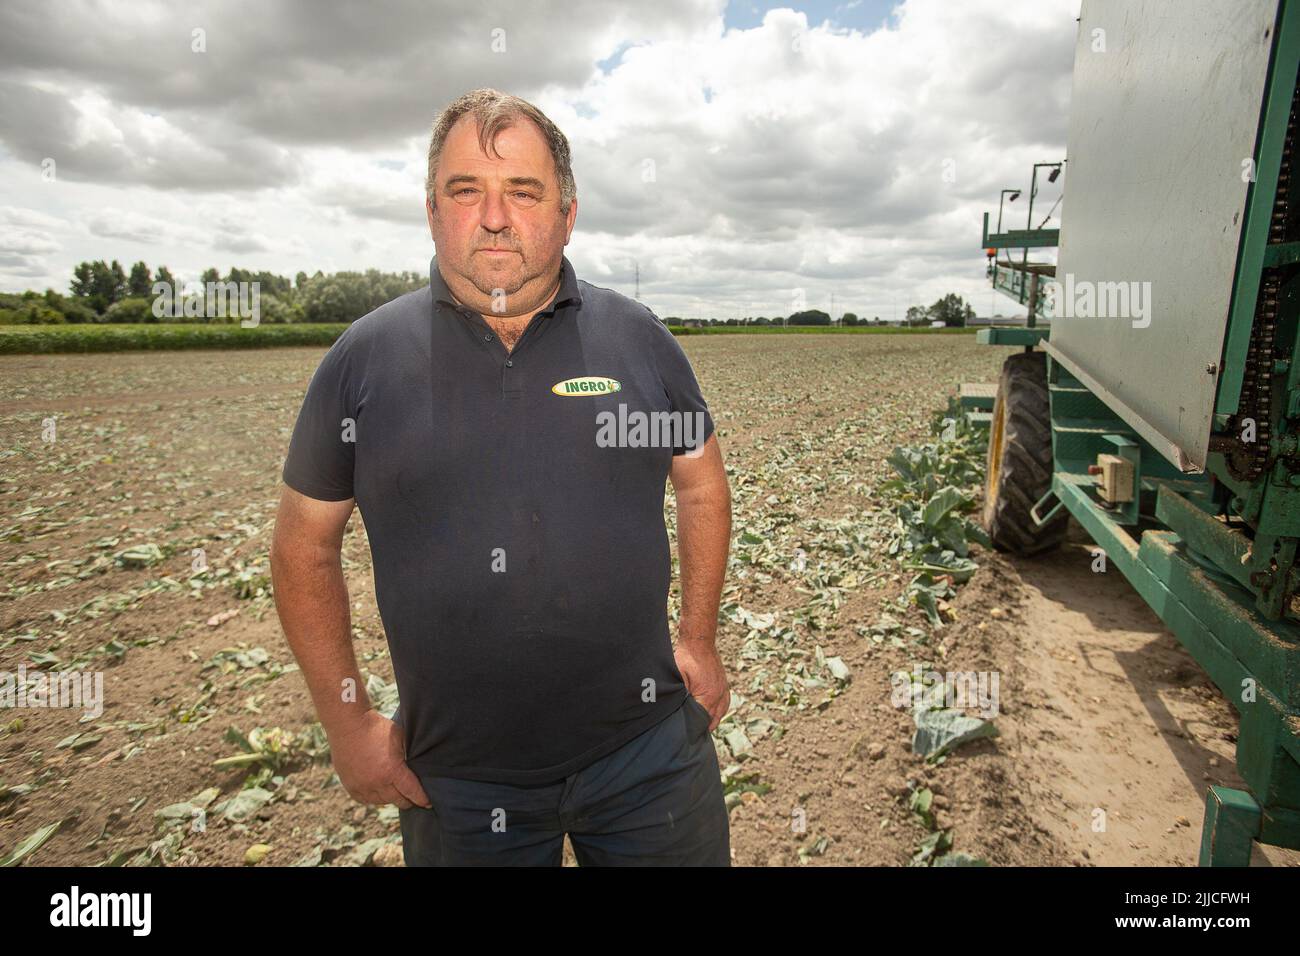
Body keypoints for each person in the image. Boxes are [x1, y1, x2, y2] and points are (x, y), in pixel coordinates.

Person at [270, 88, 733, 866]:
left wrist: (700, 640)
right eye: (466, 191)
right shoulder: (363, 361)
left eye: (523, 191)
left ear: (568, 213)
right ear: (430, 211)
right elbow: (301, 548)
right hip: (455, 780)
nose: (494, 216)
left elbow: (700, 481)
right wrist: (348, 726)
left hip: (649, 755)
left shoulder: (640, 340)